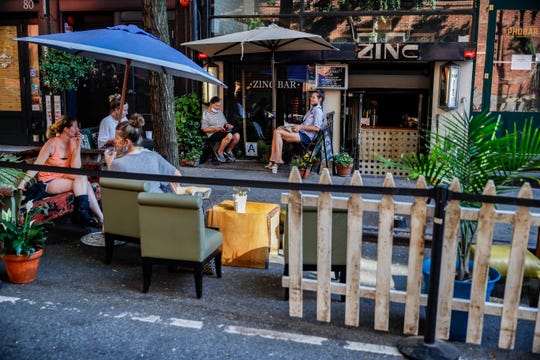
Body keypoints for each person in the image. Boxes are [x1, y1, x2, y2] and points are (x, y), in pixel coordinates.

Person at [18, 115, 104, 227]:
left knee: (83, 179)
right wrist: (23, 181)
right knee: (85, 183)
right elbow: (37, 165)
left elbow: (75, 168)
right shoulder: (52, 143)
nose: (78, 130)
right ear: (66, 129)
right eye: (75, 127)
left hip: (65, 176)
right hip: (49, 180)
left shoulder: (73, 142)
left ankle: (96, 218)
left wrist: (78, 146)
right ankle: (89, 216)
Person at [104, 113, 182, 193]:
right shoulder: (154, 156)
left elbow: (112, 190)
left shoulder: (117, 163)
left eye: (117, 138)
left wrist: (109, 163)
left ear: (126, 142)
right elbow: (177, 176)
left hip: (134, 203)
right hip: (159, 202)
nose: (114, 141)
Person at [265, 90, 325, 170]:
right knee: (276, 131)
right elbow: (306, 124)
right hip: (302, 132)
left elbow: (317, 128)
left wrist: (300, 127)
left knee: (277, 133)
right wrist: (295, 125)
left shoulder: (318, 111)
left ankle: (277, 160)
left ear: (319, 99)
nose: (311, 98)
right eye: (311, 97)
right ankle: (272, 160)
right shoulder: (313, 109)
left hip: (306, 136)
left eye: (313, 97)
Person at [201, 96, 241, 163]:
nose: (218, 107)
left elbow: (225, 123)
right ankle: (219, 152)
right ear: (211, 104)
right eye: (217, 105)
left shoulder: (219, 112)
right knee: (229, 135)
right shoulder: (206, 114)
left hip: (222, 131)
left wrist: (227, 125)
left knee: (237, 135)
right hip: (212, 133)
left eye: (219, 106)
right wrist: (216, 128)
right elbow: (204, 129)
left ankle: (228, 150)